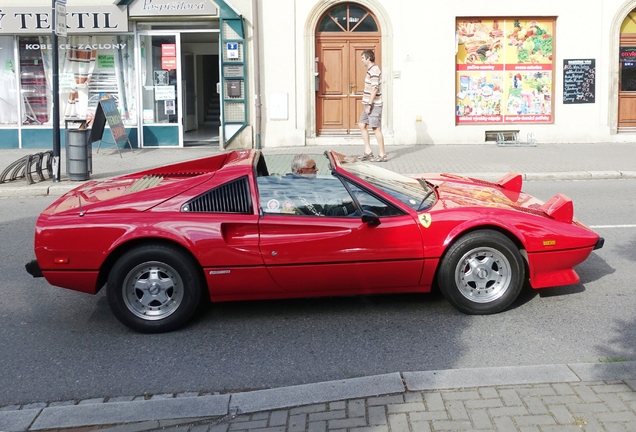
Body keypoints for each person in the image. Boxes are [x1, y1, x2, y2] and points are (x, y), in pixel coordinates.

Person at [286, 154, 357, 217]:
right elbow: (324, 215)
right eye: (313, 167)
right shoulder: (300, 193)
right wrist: (352, 206)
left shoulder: (306, 185)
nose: (317, 169)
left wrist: (344, 201)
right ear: (300, 172)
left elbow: (324, 204)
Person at [358, 49, 387, 163]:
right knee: (362, 125)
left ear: (368, 58)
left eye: (362, 58)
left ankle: (382, 154)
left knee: (376, 128)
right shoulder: (370, 70)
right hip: (367, 104)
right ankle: (368, 151)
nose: (362, 60)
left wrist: (370, 104)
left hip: (374, 104)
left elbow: (375, 88)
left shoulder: (374, 70)